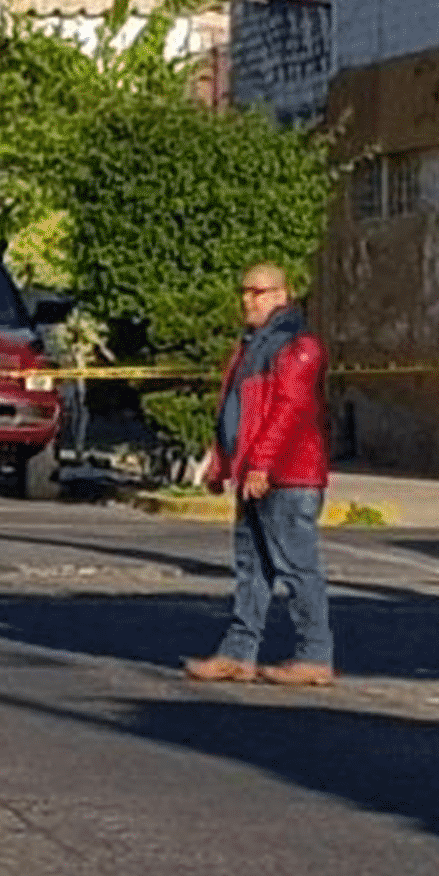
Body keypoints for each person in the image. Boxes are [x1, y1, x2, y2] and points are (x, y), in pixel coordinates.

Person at [185, 262, 335, 687]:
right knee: (251, 569)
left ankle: (314, 655)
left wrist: (263, 463)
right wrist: (221, 463)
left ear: (283, 295)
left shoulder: (298, 346)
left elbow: (290, 409)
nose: (248, 300)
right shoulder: (251, 347)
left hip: (288, 476)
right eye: (245, 292)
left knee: (297, 568)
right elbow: (235, 410)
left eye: (259, 292)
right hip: (253, 473)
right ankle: (238, 654)